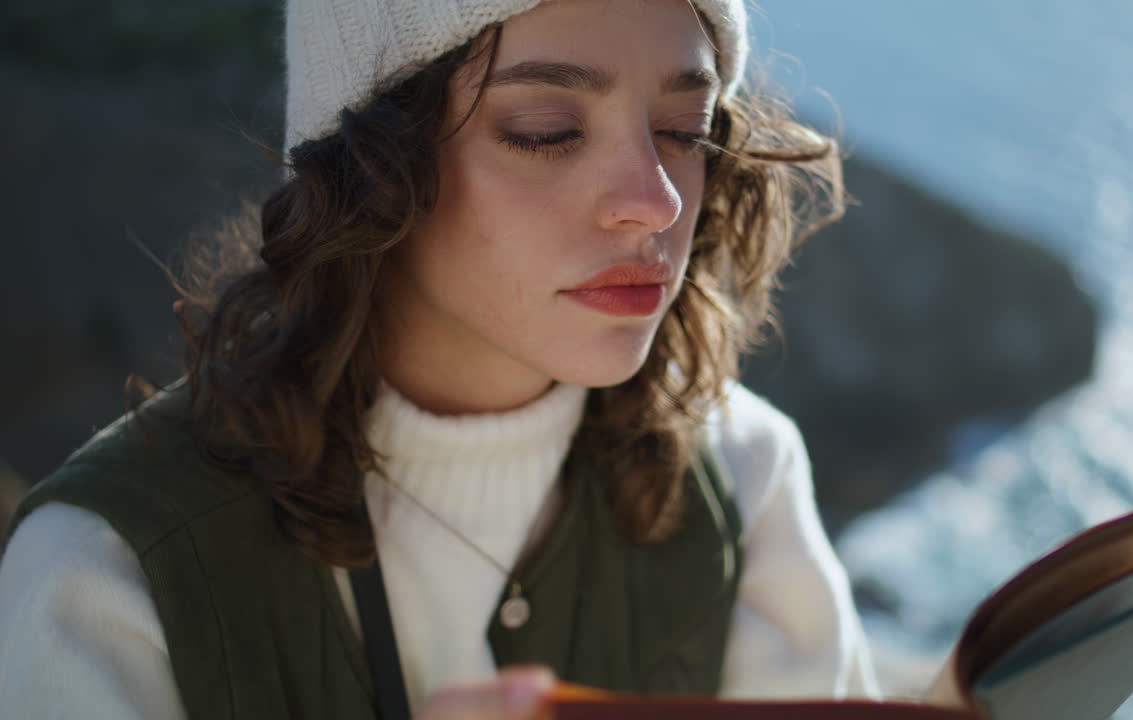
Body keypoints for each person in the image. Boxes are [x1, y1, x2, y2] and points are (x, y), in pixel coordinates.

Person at [0, 0, 880, 717]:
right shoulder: (104, 576)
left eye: (685, 129)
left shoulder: (746, 478)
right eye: (545, 130)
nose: (653, 201)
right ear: (371, 162)